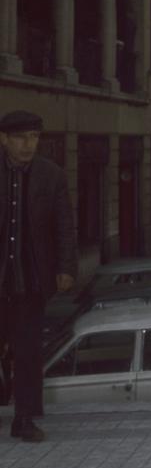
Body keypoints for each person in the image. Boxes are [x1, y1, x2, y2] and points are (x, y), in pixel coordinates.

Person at [0, 109, 77, 442]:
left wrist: (66, 267)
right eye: (20, 138)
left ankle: (24, 418)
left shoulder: (51, 175)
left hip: (30, 280)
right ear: (4, 139)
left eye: (33, 137)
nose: (27, 145)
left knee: (28, 352)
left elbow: (64, 225)